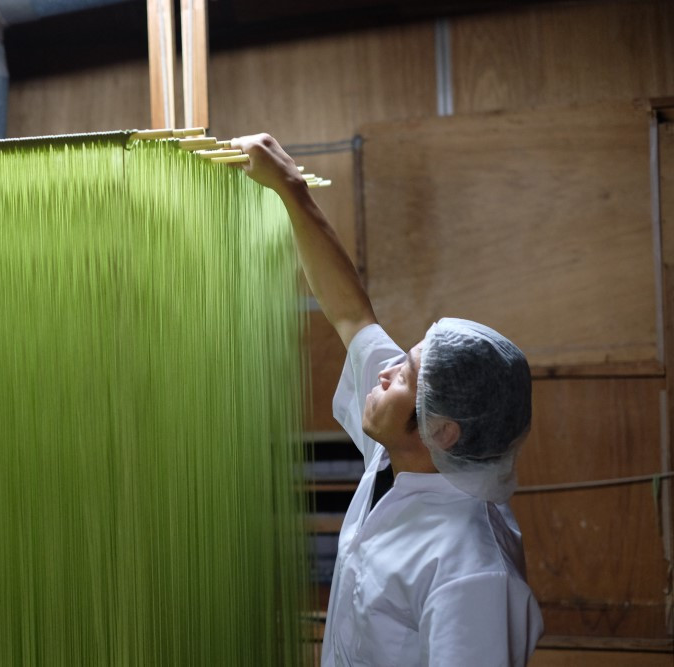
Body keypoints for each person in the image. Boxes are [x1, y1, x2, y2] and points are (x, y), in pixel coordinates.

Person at [231, 134, 544, 666]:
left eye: (404, 376)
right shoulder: (404, 459)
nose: (385, 372)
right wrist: (291, 190)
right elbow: (354, 317)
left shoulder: (473, 571)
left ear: (442, 431)